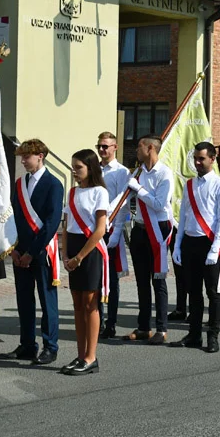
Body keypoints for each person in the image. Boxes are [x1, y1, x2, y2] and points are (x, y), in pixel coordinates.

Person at [3, 138, 64, 365]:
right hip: (21, 252)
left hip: (42, 252)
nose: (23, 161)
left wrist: (32, 252)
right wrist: (15, 250)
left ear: (40, 156)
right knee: (24, 300)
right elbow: (13, 218)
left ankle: (51, 346)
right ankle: (27, 344)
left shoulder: (54, 184)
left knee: (47, 301)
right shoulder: (20, 183)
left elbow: (51, 222)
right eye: (21, 157)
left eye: (26, 157)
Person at [171, 142, 220, 353]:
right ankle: (194, 334)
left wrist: (215, 248)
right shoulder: (189, 185)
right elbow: (184, 215)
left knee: (213, 293)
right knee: (193, 292)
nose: (197, 162)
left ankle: (213, 336)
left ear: (213, 159)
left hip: (209, 243)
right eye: (195, 158)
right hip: (190, 242)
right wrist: (177, 245)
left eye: (201, 159)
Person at [61, 149, 109, 375]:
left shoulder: (100, 192)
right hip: (73, 250)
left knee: (90, 304)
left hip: (89, 250)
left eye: (79, 167)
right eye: (73, 167)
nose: (74, 171)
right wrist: (64, 254)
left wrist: (79, 256)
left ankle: (91, 357)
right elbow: (67, 225)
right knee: (77, 304)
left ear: (90, 168)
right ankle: (81, 355)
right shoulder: (71, 192)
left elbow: (100, 229)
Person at [124, 136, 173, 344]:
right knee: (142, 280)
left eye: (140, 146)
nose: (137, 150)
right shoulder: (137, 172)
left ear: (150, 148)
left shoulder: (164, 173)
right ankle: (144, 326)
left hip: (158, 228)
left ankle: (161, 329)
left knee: (158, 279)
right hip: (140, 228)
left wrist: (139, 189)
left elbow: (159, 204)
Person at [96, 131, 131, 339]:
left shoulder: (121, 172)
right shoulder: (94, 169)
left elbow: (123, 203)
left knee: (111, 279)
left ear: (115, 147)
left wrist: (117, 232)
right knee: (96, 278)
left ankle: (111, 321)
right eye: (99, 146)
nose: (102, 150)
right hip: (94, 228)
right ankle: (97, 320)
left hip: (111, 229)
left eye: (105, 146)